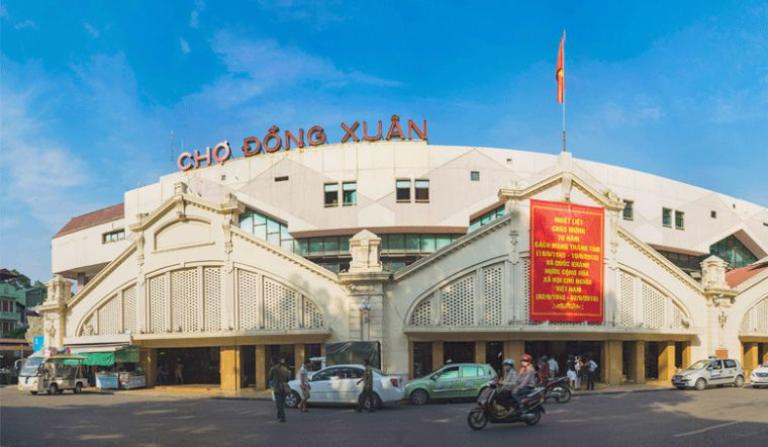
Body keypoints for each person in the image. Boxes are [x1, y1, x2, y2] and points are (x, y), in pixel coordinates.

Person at [268, 356, 291, 422]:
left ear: (273, 361)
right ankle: (279, 415)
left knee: (279, 403)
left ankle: (282, 417)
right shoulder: (285, 368)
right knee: (282, 402)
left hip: (277, 387)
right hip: (285, 386)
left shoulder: (273, 369)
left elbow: (270, 377)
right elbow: (288, 378)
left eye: (271, 361)